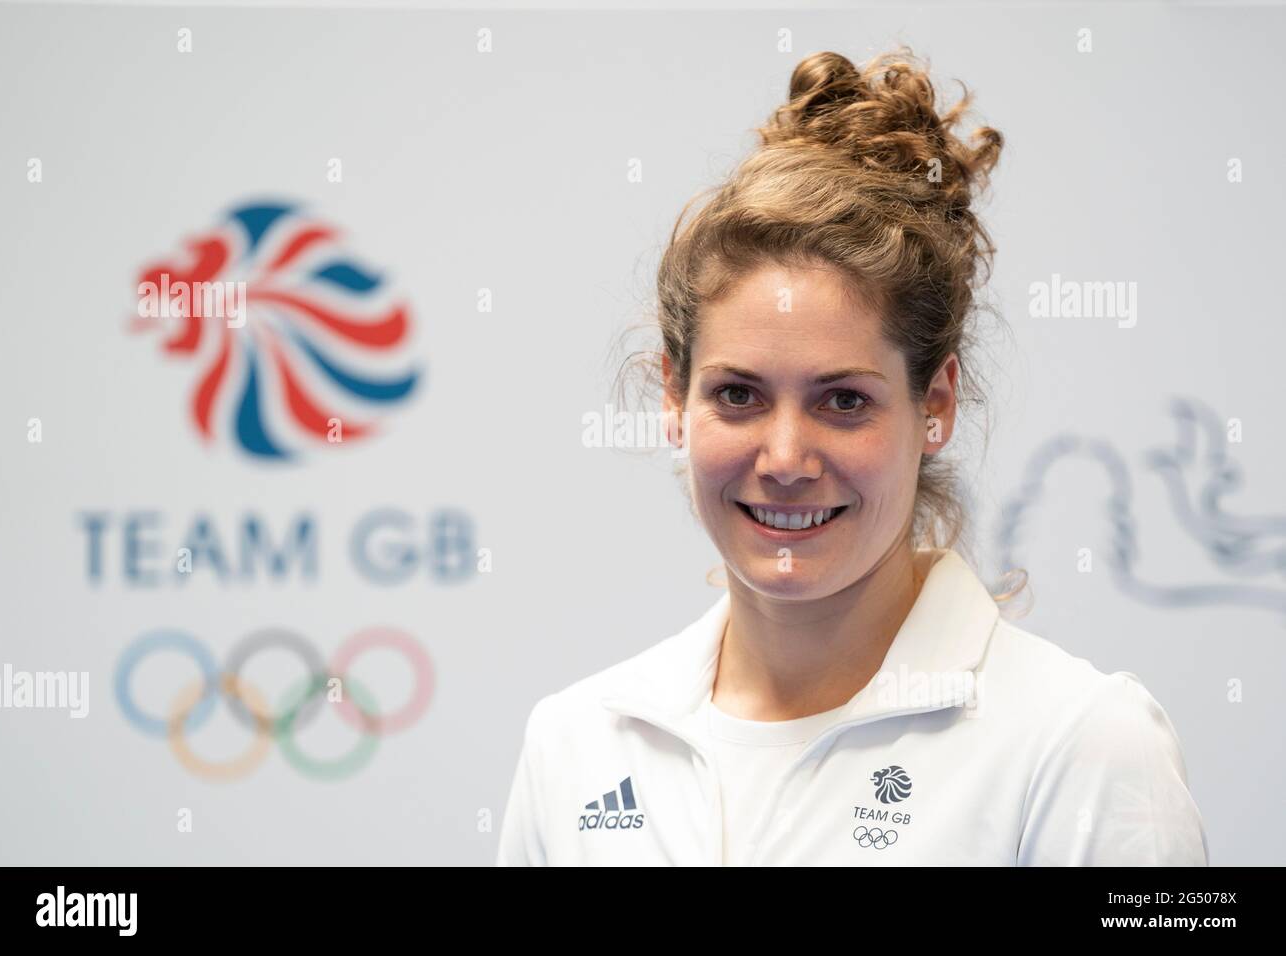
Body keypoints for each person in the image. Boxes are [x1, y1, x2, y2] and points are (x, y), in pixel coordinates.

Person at [495, 48, 1209, 866]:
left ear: (934, 405)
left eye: (844, 401)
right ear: (673, 396)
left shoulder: (1082, 744)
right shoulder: (579, 746)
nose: (787, 456)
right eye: (738, 395)